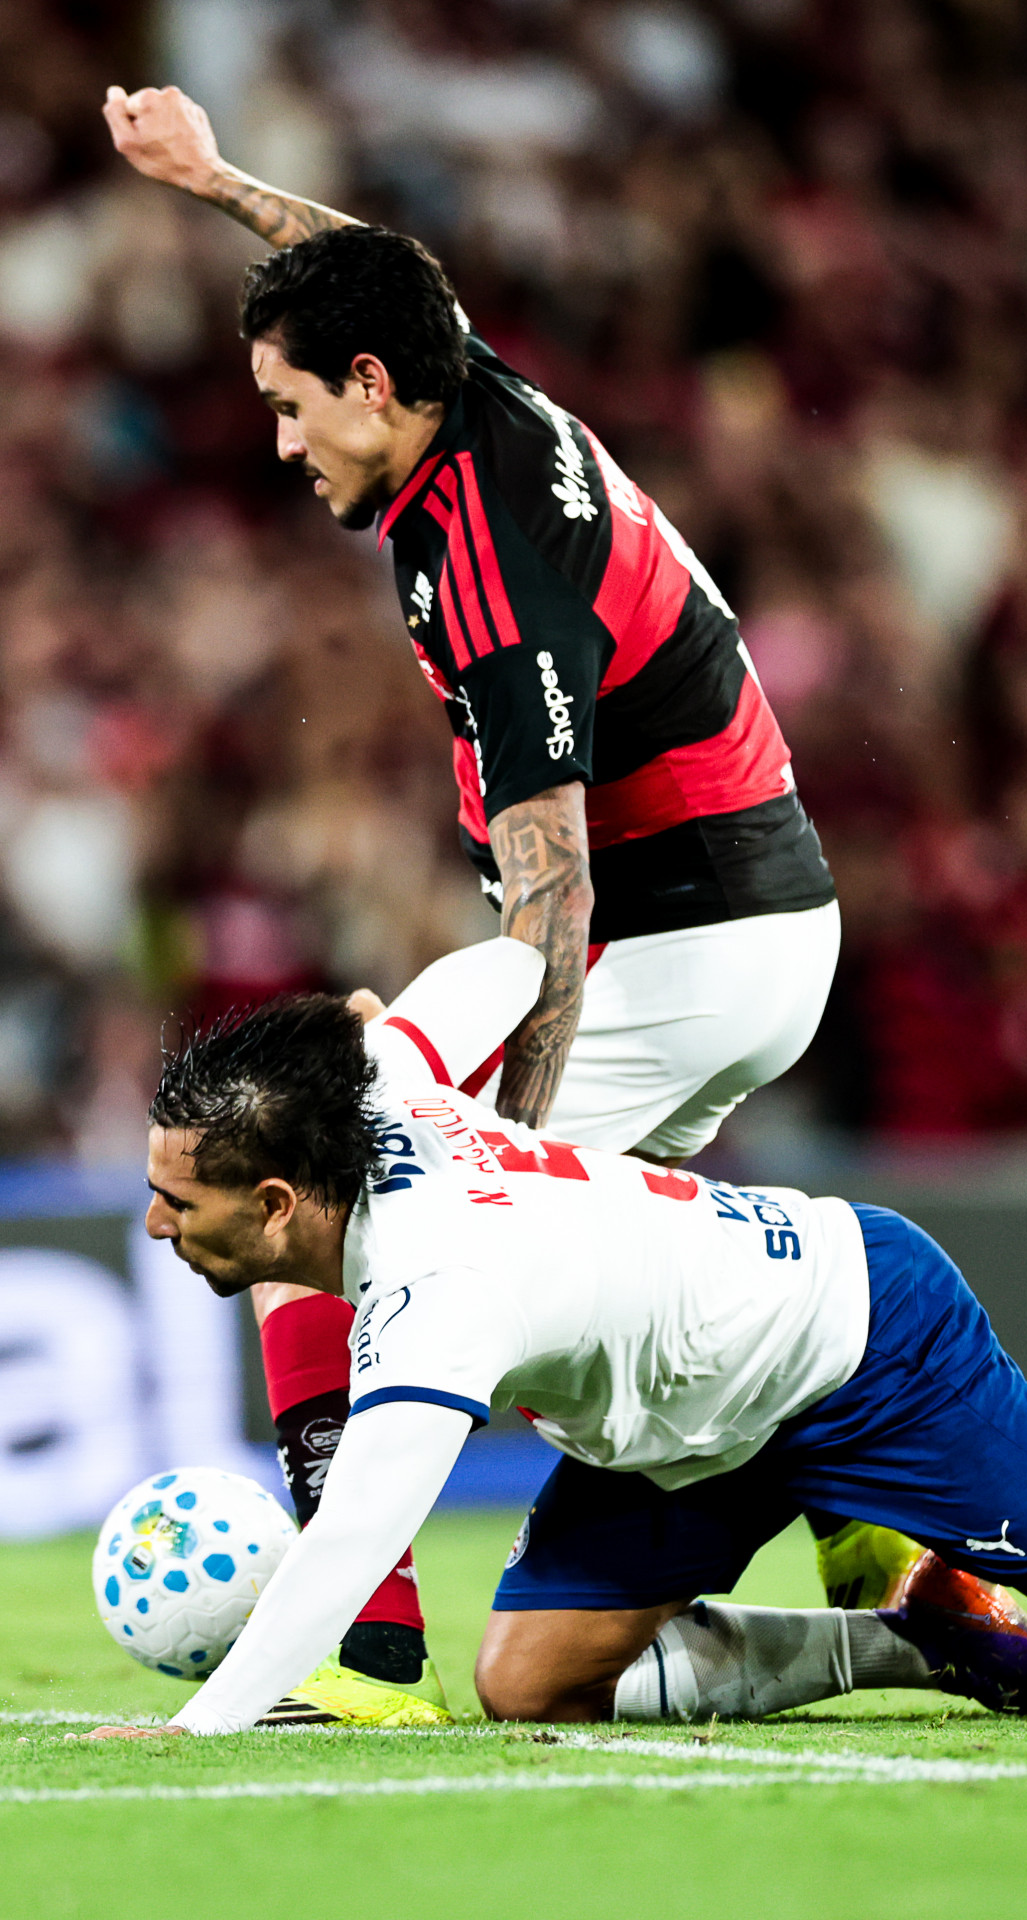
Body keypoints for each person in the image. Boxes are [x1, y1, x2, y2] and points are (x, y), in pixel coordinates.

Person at [102, 85, 843, 1723]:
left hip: (682, 941)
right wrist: (215, 182)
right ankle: (855, 1515)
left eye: (292, 409)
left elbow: (554, 901)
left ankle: (364, 1659)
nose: (281, 444)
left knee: (338, 1194)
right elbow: (381, 267)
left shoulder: (498, 577)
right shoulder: (458, 386)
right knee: (611, 1308)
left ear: (371, 390)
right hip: (750, 931)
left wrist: (496, 1142)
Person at [79, 942, 1027, 1738]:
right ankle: (918, 1635)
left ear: (272, 1204)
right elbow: (492, 967)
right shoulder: (388, 1091)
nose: (148, 1225)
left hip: (861, 1343)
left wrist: (197, 1729)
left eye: (173, 1200)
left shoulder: (440, 1284)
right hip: (690, 1430)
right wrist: (374, 1036)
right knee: (530, 1687)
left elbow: (351, 1546)